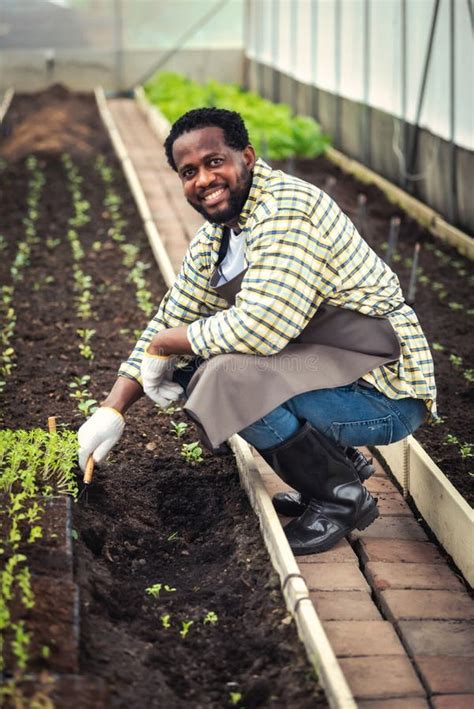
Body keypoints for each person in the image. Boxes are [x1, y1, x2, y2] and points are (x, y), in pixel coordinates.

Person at [78, 107, 436, 555]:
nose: (204, 180)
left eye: (214, 162)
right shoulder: (219, 237)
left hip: (383, 393)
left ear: (246, 156)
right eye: (188, 172)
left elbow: (262, 327)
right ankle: (336, 465)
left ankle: (340, 497)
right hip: (336, 367)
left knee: (227, 378)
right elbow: (173, 314)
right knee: (200, 369)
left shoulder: (286, 210)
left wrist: (166, 345)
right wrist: (112, 410)